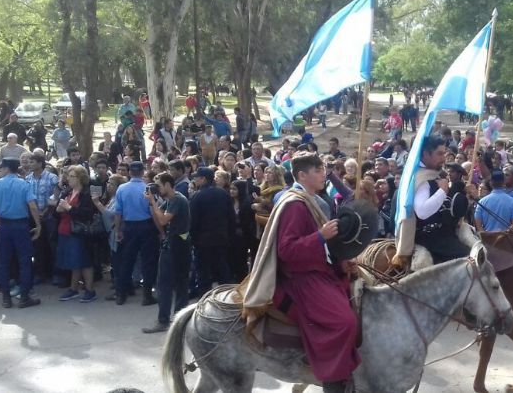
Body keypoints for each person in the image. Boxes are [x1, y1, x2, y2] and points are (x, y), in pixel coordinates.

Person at [242, 152, 358, 393]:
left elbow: (321, 251)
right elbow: (287, 251)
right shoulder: (295, 205)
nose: (323, 174)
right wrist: (320, 236)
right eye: (317, 171)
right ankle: (333, 382)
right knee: (344, 322)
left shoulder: (310, 199)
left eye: (322, 170)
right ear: (302, 175)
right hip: (303, 279)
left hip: (320, 271)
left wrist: (339, 265)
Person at [394, 135, 470, 265]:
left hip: (443, 233)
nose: (443, 158)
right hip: (429, 237)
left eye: (444, 153)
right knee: (467, 258)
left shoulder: (434, 174)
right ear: (425, 154)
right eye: (439, 154)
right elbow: (422, 212)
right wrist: (442, 191)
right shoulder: (421, 178)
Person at [0, 158, 42, 309]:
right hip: (20, 226)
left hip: (4, 226)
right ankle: (24, 297)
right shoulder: (24, 184)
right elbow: (32, 206)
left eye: (1, 167)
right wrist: (38, 224)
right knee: (25, 262)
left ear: (7, 168)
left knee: (3, 262)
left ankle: (6, 298)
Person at [142, 172, 191, 333]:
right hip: (174, 242)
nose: (156, 189)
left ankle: (167, 320)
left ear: (168, 185)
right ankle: (177, 320)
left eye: (159, 185)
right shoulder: (171, 200)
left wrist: (153, 203)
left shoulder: (177, 199)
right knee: (176, 283)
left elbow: (163, 220)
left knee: (169, 283)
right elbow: (158, 219)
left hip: (178, 244)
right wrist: (152, 204)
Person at [113, 161, 159, 306]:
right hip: (146, 226)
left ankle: (121, 294)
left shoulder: (122, 188)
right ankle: (147, 296)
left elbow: (118, 211)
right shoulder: (147, 188)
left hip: (129, 227)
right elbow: (153, 211)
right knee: (148, 262)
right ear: (143, 171)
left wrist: (117, 230)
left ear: (130, 172)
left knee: (127, 261)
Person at [189, 167, 235, 295]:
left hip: (202, 242)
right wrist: (229, 236)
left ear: (203, 179)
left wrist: (193, 240)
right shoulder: (223, 193)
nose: (195, 179)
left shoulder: (197, 196)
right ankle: (226, 297)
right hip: (221, 239)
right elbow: (231, 217)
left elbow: (193, 222)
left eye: (197, 177)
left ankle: (205, 298)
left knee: (203, 273)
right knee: (222, 269)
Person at [56, 166, 98, 303]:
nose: (69, 178)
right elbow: (57, 209)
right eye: (68, 176)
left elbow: (87, 213)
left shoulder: (86, 193)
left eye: (72, 176)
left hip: (80, 231)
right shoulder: (67, 191)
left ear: (80, 178)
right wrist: (60, 207)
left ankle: (90, 290)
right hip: (65, 229)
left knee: (84, 260)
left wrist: (68, 208)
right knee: (74, 261)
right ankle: (73, 288)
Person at [25, 154, 59, 284]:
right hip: (34, 217)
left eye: (32, 162)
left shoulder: (52, 178)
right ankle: (40, 273)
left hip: (49, 216)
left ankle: (56, 273)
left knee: (52, 245)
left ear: (40, 163)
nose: (29, 164)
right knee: (38, 246)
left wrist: (45, 211)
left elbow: (56, 197)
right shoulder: (28, 179)